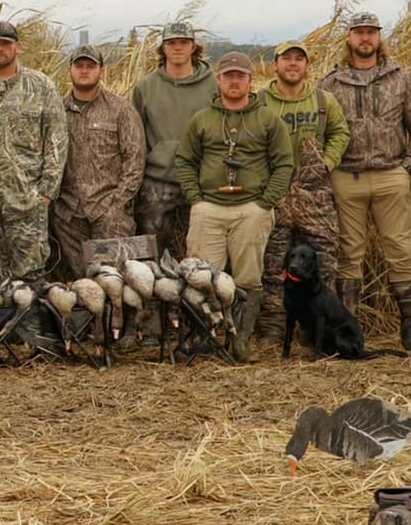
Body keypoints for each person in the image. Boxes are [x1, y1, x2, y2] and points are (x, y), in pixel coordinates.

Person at [319, 10, 411, 349]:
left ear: (379, 37)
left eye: (371, 32)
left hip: (389, 175)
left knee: (399, 249)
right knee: (350, 253)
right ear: (349, 38)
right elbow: (320, 131)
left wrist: (409, 163)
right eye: (359, 32)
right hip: (346, 177)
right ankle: (349, 331)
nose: (365, 38)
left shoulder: (400, 78)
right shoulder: (331, 82)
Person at [173, 52, 294, 361]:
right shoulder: (202, 119)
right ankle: (206, 336)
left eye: (241, 75)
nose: (235, 81)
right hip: (209, 209)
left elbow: (284, 164)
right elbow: (185, 160)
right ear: (219, 79)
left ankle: (240, 342)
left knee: (248, 279)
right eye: (229, 76)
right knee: (202, 277)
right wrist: (196, 198)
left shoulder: (267, 119)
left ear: (251, 80)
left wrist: (266, 202)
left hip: (251, 210)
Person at [255, 40, 348, 350]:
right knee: (274, 262)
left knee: (325, 260)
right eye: (286, 59)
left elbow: (340, 133)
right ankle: (272, 328)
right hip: (275, 190)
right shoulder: (260, 101)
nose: (292, 64)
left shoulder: (323, 100)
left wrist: (327, 163)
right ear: (275, 65)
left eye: (299, 59)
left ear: (307, 66)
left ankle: (319, 331)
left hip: (314, 193)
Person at [0, 21, 67, 281]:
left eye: (6, 44)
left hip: (27, 202)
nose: (0, 49)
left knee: (30, 276)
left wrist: (45, 194)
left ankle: (29, 322)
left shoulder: (41, 86)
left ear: (17, 47)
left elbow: (56, 140)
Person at [52, 44, 143, 277]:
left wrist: (116, 205)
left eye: (91, 66)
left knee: (111, 281)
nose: (84, 70)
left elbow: (135, 162)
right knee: (80, 285)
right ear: (69, 70)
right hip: (68, 216)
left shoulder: (121, 110)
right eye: (79, 65)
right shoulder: (56, 111)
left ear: (102, 71)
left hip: (109, 213)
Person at [131, 21, 217, 259]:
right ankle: (152, 290)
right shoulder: (145, 87)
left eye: (184, 43)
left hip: (202, 176)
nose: (177, 48)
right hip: (158, 177)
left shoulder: (213, 84)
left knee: (206, 249)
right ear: (163, 49)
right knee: (150, 246)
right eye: (172, 43)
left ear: (193, 48)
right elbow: (136, 136)